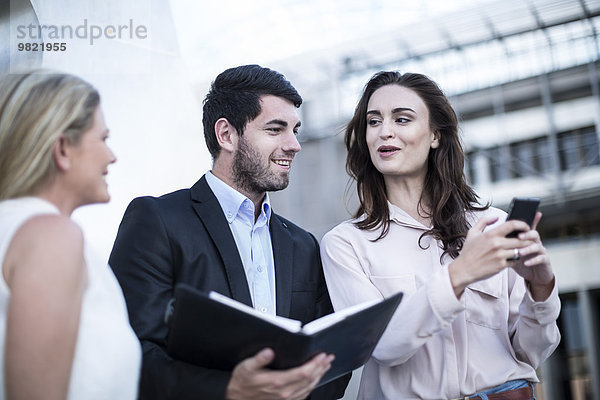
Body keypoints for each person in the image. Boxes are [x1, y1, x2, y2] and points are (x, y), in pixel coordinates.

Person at [109, 64, 350, 400]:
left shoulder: (303, 244)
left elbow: (331, 362)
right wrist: (229, 390)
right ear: (226, 135)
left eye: (295, 130)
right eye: (275, 129)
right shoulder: (157, 221)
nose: (294, 144)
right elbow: (129, 352)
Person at [320, 71, 561, 400]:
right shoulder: (346, 244)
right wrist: (462, 273)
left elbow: (532, 351)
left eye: (402, 119)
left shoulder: (492, 225)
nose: (384, 132)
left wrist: (541, 288)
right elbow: (386, 346)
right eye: (373, 122)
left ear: (435, 135)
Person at [0, 71, 141, 399]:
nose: (112, 156)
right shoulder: (52, 237)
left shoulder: (17, 229)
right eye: (103, 138)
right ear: (63, 148)